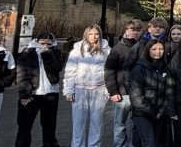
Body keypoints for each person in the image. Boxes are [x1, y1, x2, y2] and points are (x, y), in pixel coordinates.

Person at [64, 24, 111, 147]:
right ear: (86, 35)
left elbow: (109, 71)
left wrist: (108, 90)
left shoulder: (106, 50)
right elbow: (70, 71)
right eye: (90, 34)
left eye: (96, 34)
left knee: (97, 123)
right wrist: (69, 90)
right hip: (80, 89)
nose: (93, 37)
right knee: (78, 123)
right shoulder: (77, 50)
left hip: (99, 89)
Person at [15, 31, 64, 147]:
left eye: (48, 44)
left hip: (50, 93)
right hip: (32, 94)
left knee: (49, 126)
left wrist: (47, 55)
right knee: (24, 127)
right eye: (42, 43)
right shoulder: (27, 53)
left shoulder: (56, 52)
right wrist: (24, 95)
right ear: (37, 42)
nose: (45, 46)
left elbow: (56, 69)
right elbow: (22, 74)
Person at [105, 19, 143, 147]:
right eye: (133, 30)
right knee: (119, 123)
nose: (135, 33)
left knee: (136, 123)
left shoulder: (144, 47)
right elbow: (109, 71)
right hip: (122, 92)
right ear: (127, 30)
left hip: (139, 92)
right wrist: (113, 91)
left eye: (138, 30)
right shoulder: (117, 49)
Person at [129, 39, 171, 147]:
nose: (158, 52)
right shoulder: (139, 68)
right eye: (154, 49)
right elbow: (136, 96)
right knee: (149, 143)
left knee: (158, 143)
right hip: (142, 113)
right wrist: (153, 111)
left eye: (161, 49)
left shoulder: (166, 68)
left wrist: (162, 111)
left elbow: (169, 91)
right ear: (148, 50)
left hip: (160, 113)